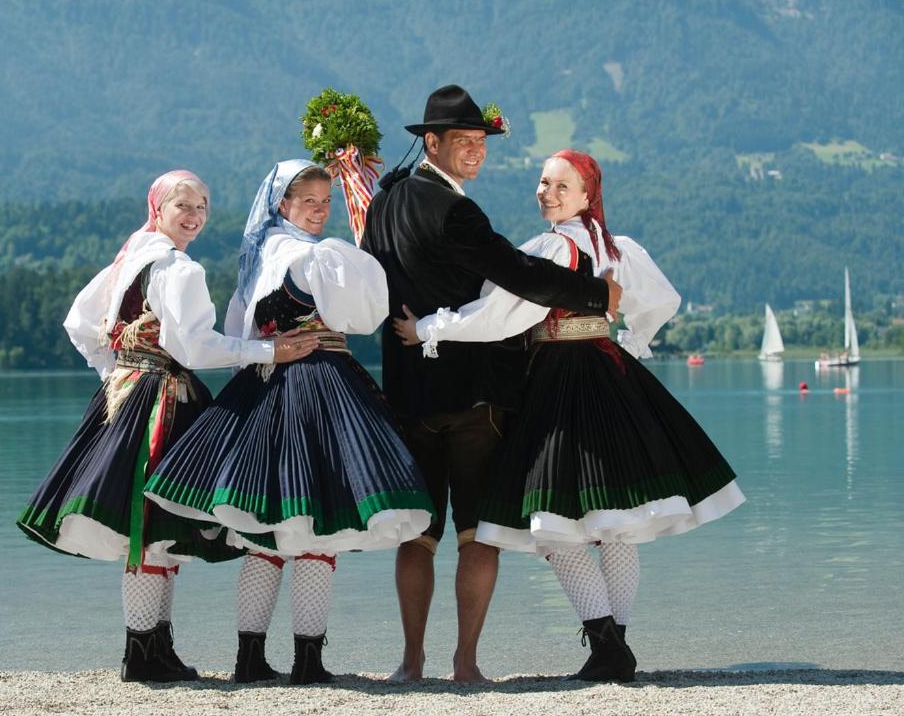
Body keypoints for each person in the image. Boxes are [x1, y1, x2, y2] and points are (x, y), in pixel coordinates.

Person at [395, 149, 746, 682]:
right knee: (616, 525)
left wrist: (427, 329)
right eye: (543, 183)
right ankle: (614, 646)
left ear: (587, 195)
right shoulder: (617, 249)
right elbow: (664, 301)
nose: (547, 193)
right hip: (613, 377)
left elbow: (497, 317)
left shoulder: (549, 250)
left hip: (559, 382)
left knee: (556, 528)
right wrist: (631, 340)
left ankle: (607, 644)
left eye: (562, 186)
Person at [360, 85, 621, 683]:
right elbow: (518, 273)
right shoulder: (456, 210)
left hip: (408, 391)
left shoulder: (384, 204)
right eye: (464, 142)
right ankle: (466, 663)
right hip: (476, 395)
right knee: (477, 534)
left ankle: (410, 663)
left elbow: (374, 284)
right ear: (433, 143)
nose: (476, 152)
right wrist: (593, 292)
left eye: (481, 142)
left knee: (418, 535)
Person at [16, 170, 318, 683]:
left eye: (203, 206)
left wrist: (116, 366)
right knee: (153, 527)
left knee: (149, 527)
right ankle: (145, 653)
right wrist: (269, 350)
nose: (195, 216)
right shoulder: (177, 268)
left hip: (127, 395)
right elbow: (196, 348)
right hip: (163, 401)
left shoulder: (130, 256)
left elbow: (78, 321)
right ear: (158, 206)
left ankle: (150, 649)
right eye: (185, 206)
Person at [144, 160, 435, 685]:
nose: (321, 211)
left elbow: (238, 331)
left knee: (269, 532)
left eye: (327, 202)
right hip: (321, 385)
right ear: (284, 205)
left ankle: (250, 658)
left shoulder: (259, 260)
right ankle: (307, 659)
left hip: (267, 385)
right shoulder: (316, 255)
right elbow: (363, 317)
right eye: (310, 202)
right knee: (319, 527)